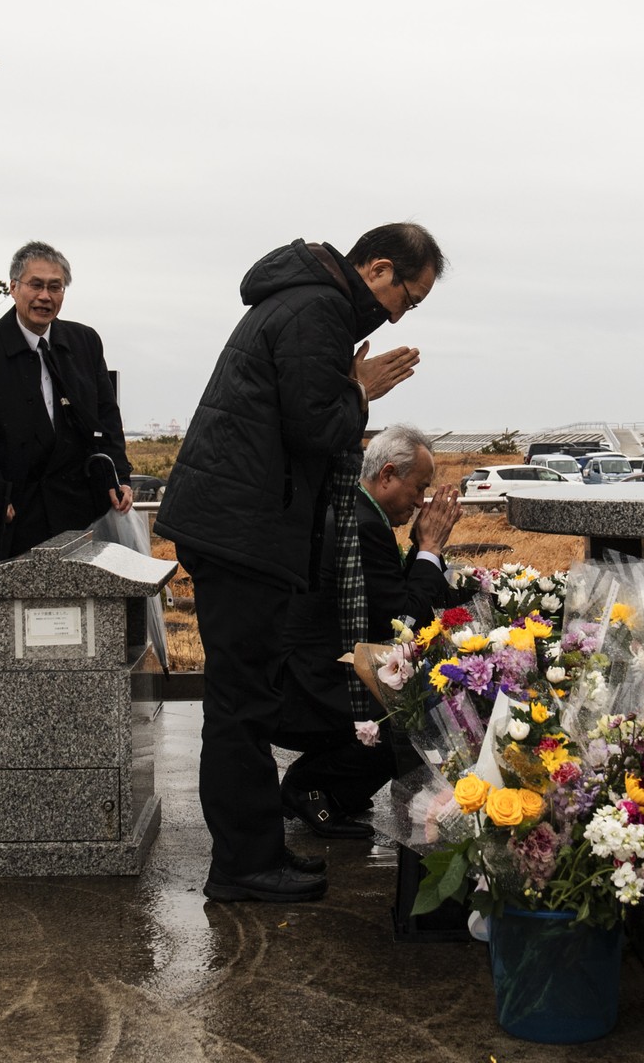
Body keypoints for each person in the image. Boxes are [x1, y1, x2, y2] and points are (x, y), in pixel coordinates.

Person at [157, 222, 443, 903]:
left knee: (243, 700)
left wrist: (347, 386)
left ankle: (254, 849)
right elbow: (315, 427)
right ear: (377, 269)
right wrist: (359, 389)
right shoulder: (318, 308)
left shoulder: (306, 301)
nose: (403, 313)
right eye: (409, 295)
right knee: (240, 705)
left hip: (240, 526)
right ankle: (241, 866)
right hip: (242, 531)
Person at [276, 424, 461, 837]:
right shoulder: (364, 526)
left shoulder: (356, 511)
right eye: (418, 488)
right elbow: (403, 624)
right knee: (416, 715)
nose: (420, 502)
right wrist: (429, 551)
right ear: (388, 474)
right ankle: (312, 787)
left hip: (304, 672)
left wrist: (419, 550)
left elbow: (389, 604)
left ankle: (334, 787)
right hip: (309, 688)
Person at [0, 242, 130, 557]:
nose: (45, 296)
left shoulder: (84, 341)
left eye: (55, 287)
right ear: (13, 287)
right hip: (15, 509)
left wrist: (118, 476)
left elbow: (107, 415)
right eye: (36, 285)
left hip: (80, 506)